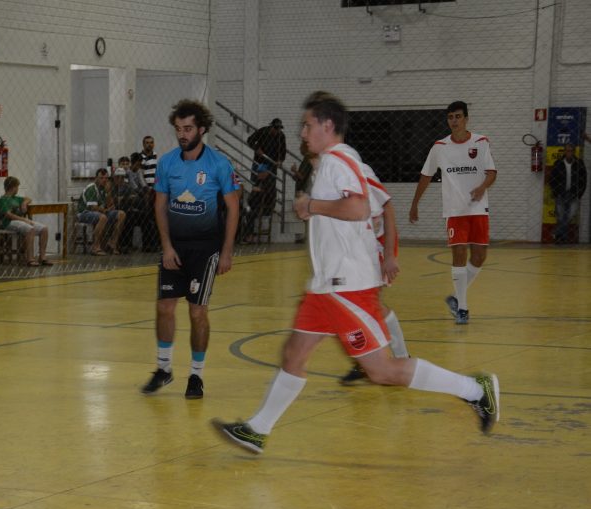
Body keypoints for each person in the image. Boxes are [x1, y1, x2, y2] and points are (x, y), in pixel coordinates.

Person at [211, 92, 500, 455]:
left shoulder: (339, 159)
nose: (303, 133)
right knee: (294, 353)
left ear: (327, 126)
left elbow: (359, 207)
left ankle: (475, 390)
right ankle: (258, 429)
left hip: (345, 285)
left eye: (308, 125)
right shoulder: (328, 164)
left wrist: (312, 206)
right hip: (325, 286)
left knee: (381, 370)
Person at [140, 99, 240, 399]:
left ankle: (196, 375)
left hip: (206, 248)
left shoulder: (219, 164)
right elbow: (159, 206)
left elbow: (233, 209)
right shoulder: (167, 162)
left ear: (202, 129)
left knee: (197, 312)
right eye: (178, 129)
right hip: (175, 247)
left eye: (188, 129)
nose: (182, 134)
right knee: (164, 307)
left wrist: (226, 252)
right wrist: (166, 246)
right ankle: (164, 369)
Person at [409, 101, 497, 325]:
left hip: (478, 208)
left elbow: (492, 172)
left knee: (479, 256)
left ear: (466, 118)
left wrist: (482, 187)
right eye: (450, 117)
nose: (454, 121)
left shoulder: (481, 142)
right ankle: (463, 309)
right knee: (459, 254)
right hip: (454, 210)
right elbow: (426, 175)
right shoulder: (440, 146)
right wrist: (415, 203)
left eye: (458, 116)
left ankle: (456, 298)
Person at [337, 164, 411, 385]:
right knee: (350, 306)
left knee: (370, 304)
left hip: (375, 245)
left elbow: (387, 208)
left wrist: (389, 256)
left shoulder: (355, 169)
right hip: (352, 248)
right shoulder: (323, 176)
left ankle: (400, 358)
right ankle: (365, 360)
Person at [0, 176, 50, 266]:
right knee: (30, 229)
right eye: (17, 187)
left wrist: (24, 203)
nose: (18, 189)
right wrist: (24, 220)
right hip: (8, 222)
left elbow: (28, 199)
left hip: (21, 221)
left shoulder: (16, 198)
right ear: (13, 187)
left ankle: (42, 257)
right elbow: (9, 215)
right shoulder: (3, 200)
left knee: (44, 229)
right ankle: (30, 259)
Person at [76, 168, 125, 255]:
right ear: (96, 178)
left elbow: (111, 206)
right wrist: (106, 210)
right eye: (101, 178)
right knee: (103, 217)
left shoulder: (105, 188)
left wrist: (108, 192)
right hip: (84, 213)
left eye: (106, 178)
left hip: (101, 212)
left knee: (121, 214)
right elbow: (93, 208)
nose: (104, 180)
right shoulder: (92, 188)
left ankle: (112, 243)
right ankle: (95, 247)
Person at [549, 143, 587, 244]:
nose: (569, 153)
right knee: (561, 216)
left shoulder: (579, 163)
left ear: (574, 152)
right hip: (561, 193)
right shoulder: (558, 163)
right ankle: (562, 239)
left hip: (573, 194)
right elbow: (552, 179)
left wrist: (579, 194)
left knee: (570, 215)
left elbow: (583, 180)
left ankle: (556, 233)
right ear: (564, 152)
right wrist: (556, 192)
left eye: (571, 151)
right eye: (567, 151)